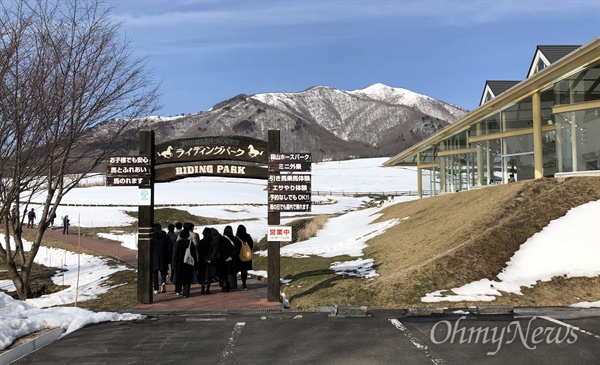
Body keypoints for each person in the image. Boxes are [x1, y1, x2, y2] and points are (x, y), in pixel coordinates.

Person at [172, 228, 196, 297]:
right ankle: (186, 293)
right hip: (188, 263)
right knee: (187, 278)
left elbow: (174, 254)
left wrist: (173, 263)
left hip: (179, 262)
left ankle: (178, 290)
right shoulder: (190, 243)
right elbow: (193, 254)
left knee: (178, 276)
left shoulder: (177, 243)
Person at [197, 227, 218, 295]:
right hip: (211, 261)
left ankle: (203, 287)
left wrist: (204, 258)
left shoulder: (201, 242)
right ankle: (207, 288)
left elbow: (199, 252)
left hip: (202, 261)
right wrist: (211, 258)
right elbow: (214, 251)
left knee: (203, 274)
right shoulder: (213, 242)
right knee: (209, 275)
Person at [151, 223, 170, 294]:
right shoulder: (166, 236)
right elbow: (169, 246)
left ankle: (156, 289)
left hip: (154, 256)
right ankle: (163, 282)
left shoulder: (152, 237)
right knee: (163, 272)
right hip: (163, 256)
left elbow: (150, 247)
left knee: (155, 273)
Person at [222, 225, 242, 291]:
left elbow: (220, 249)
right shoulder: (235, 239)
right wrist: (231, 256)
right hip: (233, 259)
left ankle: (224, 285)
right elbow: (237, 248)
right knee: (232, 273)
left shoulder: (222, 239)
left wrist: (225, 257)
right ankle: (232, 286)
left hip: (224, 259)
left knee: (224, 272)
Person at [235, 224, 254, 290]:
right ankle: (244, 283)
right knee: (244, 271)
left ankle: (234, 284)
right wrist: (248, 251)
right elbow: (251, 244)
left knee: (236, 270)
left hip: (239, 257)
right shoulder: (248, 236)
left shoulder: (237, 237)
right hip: (247, 256)